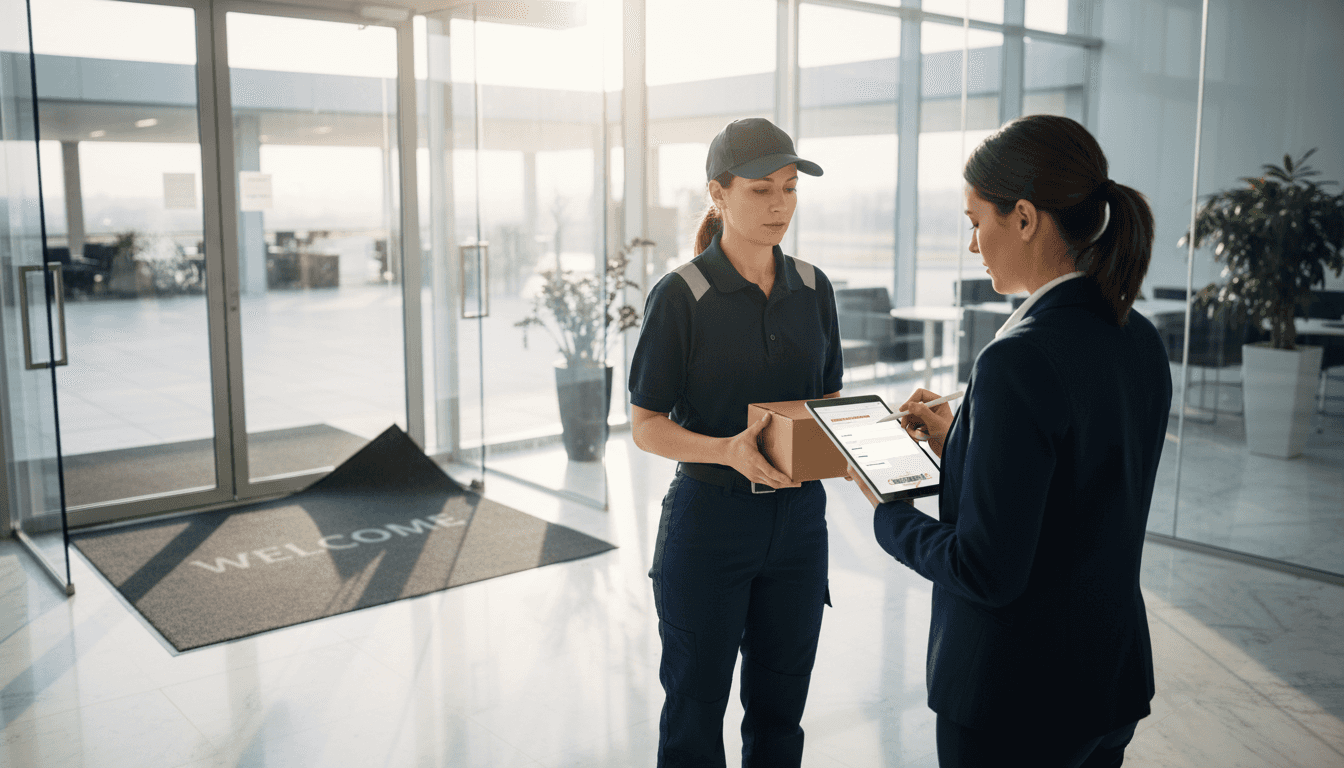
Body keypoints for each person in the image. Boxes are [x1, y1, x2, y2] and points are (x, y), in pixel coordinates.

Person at [845, 114, 1171, 767]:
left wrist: (888, 507)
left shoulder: (1015, 360)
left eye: (975, 222)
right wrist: (961, 442)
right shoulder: (1137, 336)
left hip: (1014, 699)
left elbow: (985, 571)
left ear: (1023, 217)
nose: (972, 245)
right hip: (1107, 684)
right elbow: (1078, 488)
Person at [628, 117, 842, 768]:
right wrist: (728, 450)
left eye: (788, 188)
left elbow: (829, 399)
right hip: (709, 528)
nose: (780, 204)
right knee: (694, 714)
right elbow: (646, 425)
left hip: (800, 528)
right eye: (760, 191)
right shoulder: (681, 296)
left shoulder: (814, 287)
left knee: (782, 716)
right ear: (718, 195)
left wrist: (862, 438)